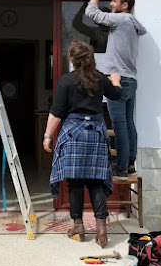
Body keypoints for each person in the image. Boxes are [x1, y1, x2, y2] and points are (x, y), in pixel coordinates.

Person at [43, 40, 122, 247]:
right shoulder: (100, 79)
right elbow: (116, 95)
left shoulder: (66, 81)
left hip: (74, 135)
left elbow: (57, 112)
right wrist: (116, 81)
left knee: (75, 182)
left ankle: (78, 226)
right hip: (95, 133)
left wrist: (47, 136)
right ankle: (102, 229)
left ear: (72, 59)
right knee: (96, 181)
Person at [85, 0, 147, 180]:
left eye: (115, 1)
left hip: (117, 79)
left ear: (125, 5)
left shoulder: (121, 20)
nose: (111, 3)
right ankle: (129, 164)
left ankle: (120, 168)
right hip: (130, 79)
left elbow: (91, 13)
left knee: (120, 125)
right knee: (129, 123)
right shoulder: (132, 23)